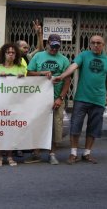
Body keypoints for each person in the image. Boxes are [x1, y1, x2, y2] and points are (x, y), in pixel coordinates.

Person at [53, 35, 107, 164]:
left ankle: (87, 153)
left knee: (93, 129)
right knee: (75, 126)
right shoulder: (84, 55)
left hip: (98, 100)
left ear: (103, 45)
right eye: (93, 43)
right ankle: (73, 154)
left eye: (98, 43)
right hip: (81, 98)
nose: (96, 45)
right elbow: (73, 66)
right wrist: (62, 76)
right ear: (89, 44)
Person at [25, 34, 71, 165]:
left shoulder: (63, 60)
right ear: (48, 43)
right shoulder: (38, 56)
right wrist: (42, 73)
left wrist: (61, 98)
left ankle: (52, 153)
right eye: (52, 46)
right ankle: (36, 153)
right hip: (39, 97)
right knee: (38, 124)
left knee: (56, 126)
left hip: (56, 97)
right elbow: (29, 73)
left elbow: (67, 80)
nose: (54, 49)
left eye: (57, 47)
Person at [0, 43, 26, 167]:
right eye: (8, 52)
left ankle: (10, 156)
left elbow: (26, 85)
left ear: (16, 55)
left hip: (14, 104)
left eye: (13, 52)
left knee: (11, 130)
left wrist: (23, 78)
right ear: (3, 54)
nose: (10, 54)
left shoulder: (20, 69)